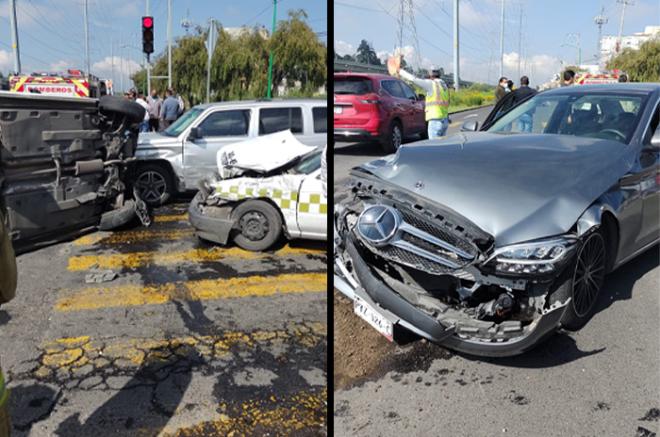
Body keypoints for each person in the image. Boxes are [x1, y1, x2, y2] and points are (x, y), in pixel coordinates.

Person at [391, 57, 450, 138]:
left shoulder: (431, 84)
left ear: (430, 74)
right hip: (444, 120)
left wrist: (400, 71)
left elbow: (413, 79)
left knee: (435, 147)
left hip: (435, 121)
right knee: (442, 147)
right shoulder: (444, 86)